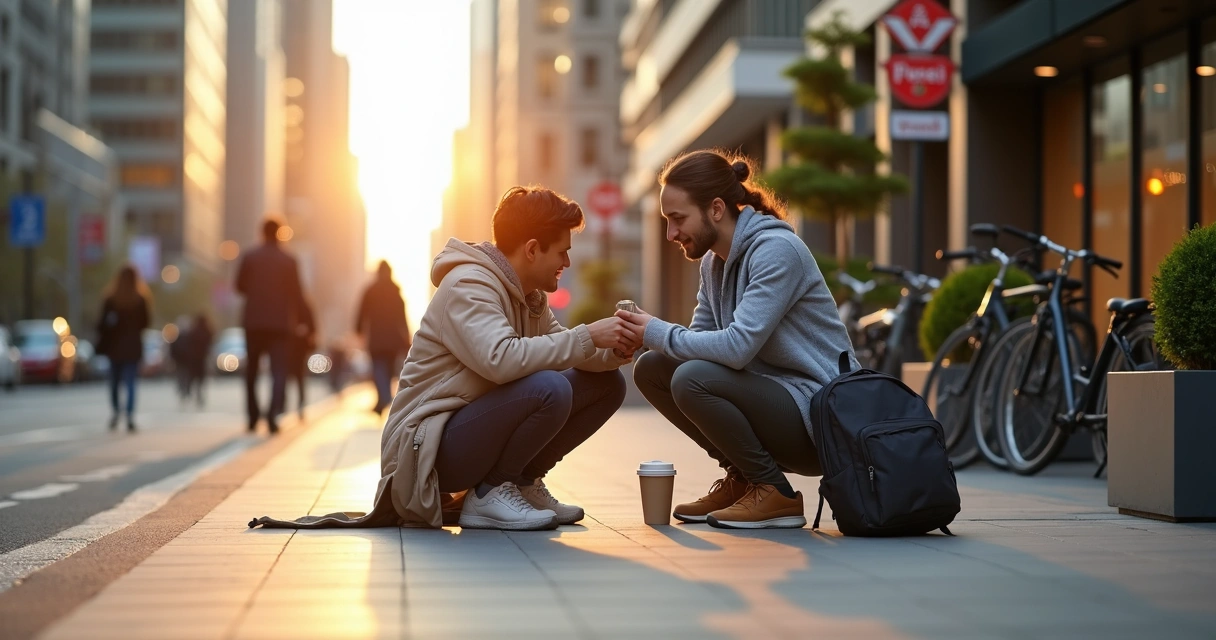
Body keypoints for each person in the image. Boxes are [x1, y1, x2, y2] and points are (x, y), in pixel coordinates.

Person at [619, 150, 858, 530]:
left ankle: (774, 492)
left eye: (678, 219)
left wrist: (656, 331)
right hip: (775, 402)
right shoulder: (714, 263)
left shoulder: (777, 250)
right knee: (653, 368)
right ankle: (744, 479)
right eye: (667, 221)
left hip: (819, 415)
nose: (671, 234)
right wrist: (645, 338)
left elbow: (736, 348)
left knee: (691, 378)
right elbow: (699, 341)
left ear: (716, 209)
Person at [235, 219, 306, 434]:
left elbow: (239, 286)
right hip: (280, 324)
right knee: (279, 371)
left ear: (262, 232)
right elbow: (297, 293)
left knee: (252, 371)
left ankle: (252, 416)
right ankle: (273, 414)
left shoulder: (250, 257)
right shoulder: (289, 260)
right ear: (280, 233)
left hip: (254, 322)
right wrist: (302, 321)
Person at [97, 265, 151, 432]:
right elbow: (146, 323)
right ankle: (129, 415)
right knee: (130, 383)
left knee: (114, 383)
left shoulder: (111, 299)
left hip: (114, 348)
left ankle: (116, 411)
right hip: (132, 348)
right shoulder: (140, 299)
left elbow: (101, 325)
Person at [355, 261, 411, 413]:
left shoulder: (371, 291)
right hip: (393, 340)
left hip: (376, 339)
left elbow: (361, 312)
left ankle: (384, 398)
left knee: (378, 368)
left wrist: (358, 329)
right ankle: (383, 399)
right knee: (388, 370)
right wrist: (406, 337)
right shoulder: (396, 292)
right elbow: (402, 318)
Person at [287, 297, 317, 419]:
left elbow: (312, 327)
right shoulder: (297, 303)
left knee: (298, 378)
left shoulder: (303, 306)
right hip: (289, 348)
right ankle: (285, 405)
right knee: (291, 378)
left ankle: (300, 404)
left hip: (298, 349)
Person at [179, 313, 214, 407]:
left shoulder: (193, 331)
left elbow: (188, 345)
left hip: (193, 359)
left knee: (192, 378)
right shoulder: (207, 331)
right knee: (200, 379)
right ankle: (199, 395)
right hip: (202, 359)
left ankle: (189, 392)